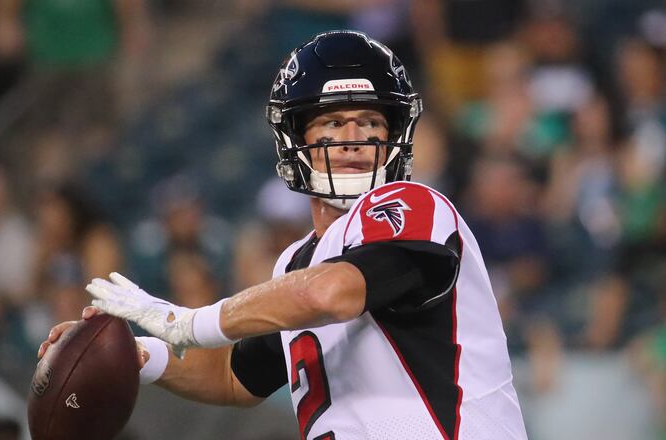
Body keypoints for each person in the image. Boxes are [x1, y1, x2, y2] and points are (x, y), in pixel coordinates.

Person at [38, 31, 528, 439]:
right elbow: (234, 378)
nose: (354, 138)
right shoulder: (295, 264)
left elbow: (331, 292)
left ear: (393, 137)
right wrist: (133, 353)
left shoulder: (417, 207)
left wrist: (187, 321)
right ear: (297, 140)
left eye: (372, 121)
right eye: (334, 122)